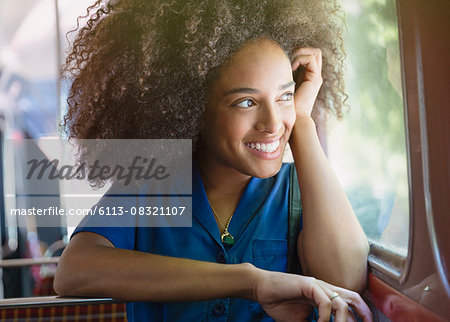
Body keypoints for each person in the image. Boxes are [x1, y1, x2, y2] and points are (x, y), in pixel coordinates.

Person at [54, 0, 372, 321]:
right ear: (191, 109)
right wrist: (251, 281)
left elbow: (345, 280)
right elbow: (73, 270)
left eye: (284, 96)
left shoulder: (301, 189)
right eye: (246, 101)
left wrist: (301, 121)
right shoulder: (149, 183)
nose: (273, 123)